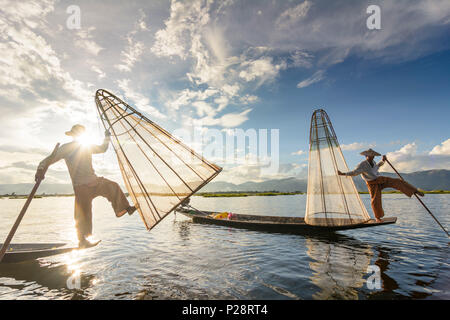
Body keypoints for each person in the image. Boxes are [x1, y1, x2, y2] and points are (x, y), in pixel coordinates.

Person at [35, 124, 136, 247]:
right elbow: (50, 158)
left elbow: (102, 148)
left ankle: (125, 208)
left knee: (113, 186)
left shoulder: (86, 146)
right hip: (81, 185)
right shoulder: (66, 148)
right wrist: (40, 169)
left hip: (94, 181)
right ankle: (83, 240)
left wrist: (107, 137)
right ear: (73, 136)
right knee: (83, 213)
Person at [337, 148, 424, 222]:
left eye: (373, 156)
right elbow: (354, 172)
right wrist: (344, 174)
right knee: (375, 199)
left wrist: (383, 161)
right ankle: (378, 217)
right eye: (370, 155)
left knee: (397, 181)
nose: (372, 157)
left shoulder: (374, 162)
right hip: (372, 183)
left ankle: (415, 191)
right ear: (366, 156)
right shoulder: (362, 165)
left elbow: (377, 166)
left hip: (380, 179)